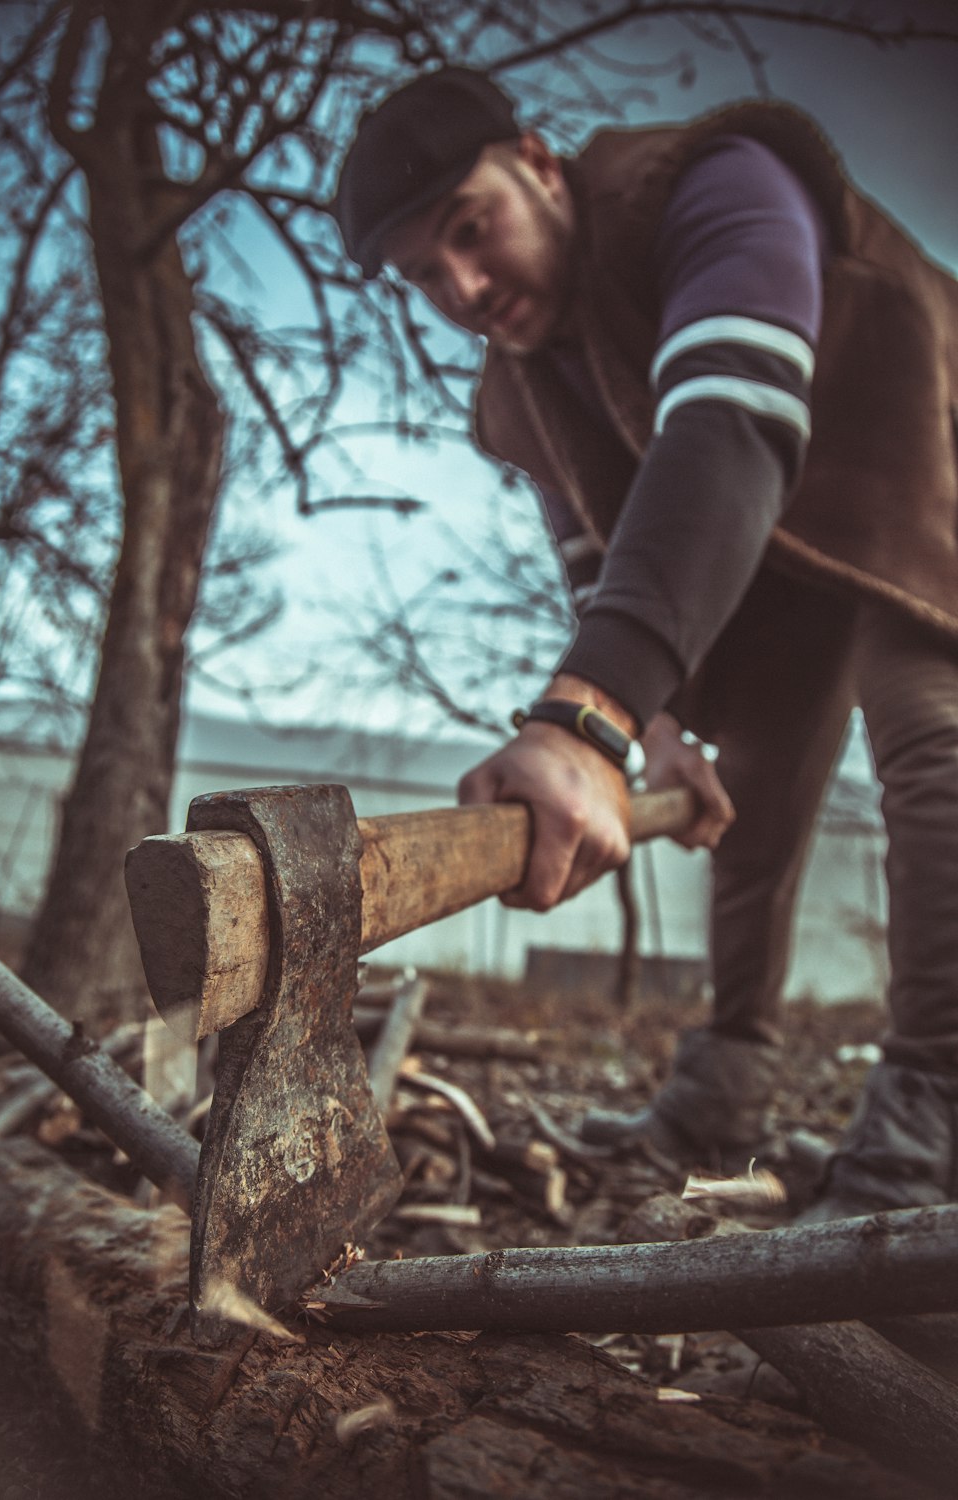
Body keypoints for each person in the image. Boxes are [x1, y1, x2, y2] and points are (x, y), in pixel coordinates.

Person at [332, 67, 958, 1220]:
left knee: (930, 736)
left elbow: (729, 426)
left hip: (915, 455)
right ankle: (724, 1088)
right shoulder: (519, 387)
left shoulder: (716, 186)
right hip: (774, 545)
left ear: (537, 160)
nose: (464, 287)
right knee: (748, 797)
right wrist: (653, 730)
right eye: (426, 275)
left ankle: (929, 1122)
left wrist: (582, 723)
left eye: (473, 232)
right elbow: (598, 561)